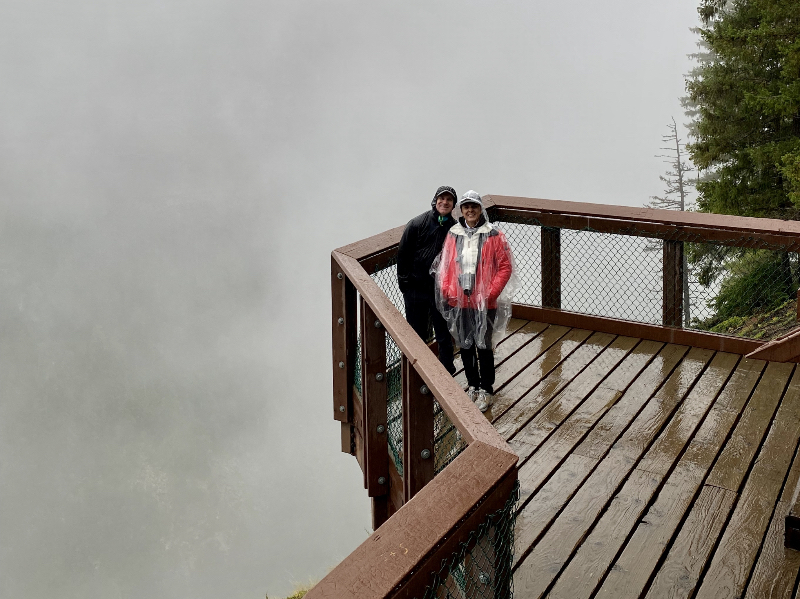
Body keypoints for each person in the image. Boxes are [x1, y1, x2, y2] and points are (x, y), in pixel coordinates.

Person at [432, 190, 517, 412]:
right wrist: (450, 291)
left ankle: (486, 389)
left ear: (481, 210)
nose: (470, 211)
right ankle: (472, 385)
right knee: (465, 344)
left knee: (484, 346)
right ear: (461, 210)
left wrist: (490, 293)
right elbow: (445, 266)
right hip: (459, 301)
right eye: (466, 207)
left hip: (484, 302)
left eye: (474, 207)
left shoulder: (494, 235)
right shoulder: (454, 233)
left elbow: (505, 267)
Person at [397, 186, 458, 375]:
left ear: (453, 204)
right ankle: (417, 375)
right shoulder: (417, 224)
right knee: (416, 336)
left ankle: (447, 372)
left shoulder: (454, 229)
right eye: (442, 198)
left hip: (440, 291)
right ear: (435, 200)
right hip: (415, 290)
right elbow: (403, 255)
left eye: (449, 200)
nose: (445, 202)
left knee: (443, 335)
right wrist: (405, 285)